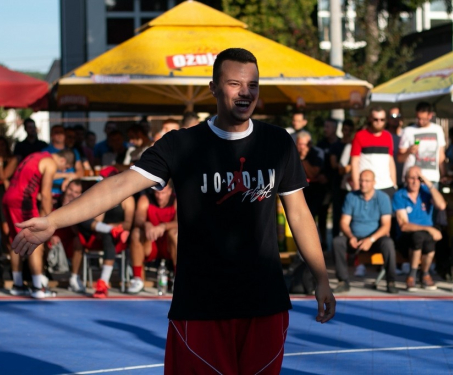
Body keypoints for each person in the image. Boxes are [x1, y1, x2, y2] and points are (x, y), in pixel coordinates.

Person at [12, 48, 335, 374]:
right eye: (235, 84)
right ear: (213, 88)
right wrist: (54, 220)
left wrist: (321, 277)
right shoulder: (181, 144)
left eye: (252, 84)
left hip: (264, 301)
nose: (245, 92)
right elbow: (118, 186)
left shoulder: (278, 142)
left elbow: (299, 213)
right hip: (201, 303)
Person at [4, 149, 74, 298]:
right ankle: (37, 287)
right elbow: (46, 193)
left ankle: (18, 285)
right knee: (35, 240)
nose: (61, 171)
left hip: (9, 197)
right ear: (62, 161)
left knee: (15, 240)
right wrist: (50, 220)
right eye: (64, 168)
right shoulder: (50, 163)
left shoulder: (36, 155)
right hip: (23, 201)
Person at [332, 170, 397, 294]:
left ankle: (391, 281)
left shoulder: (383, 198)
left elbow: (386, 225)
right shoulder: (351, 197)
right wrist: (350, 236)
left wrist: (371, 239)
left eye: (367, 181)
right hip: (355, 238)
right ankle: (343, 281)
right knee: (337, 242)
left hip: (375, 238)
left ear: (374, 182)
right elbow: (344, 222)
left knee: (388, 243)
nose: (363, 183)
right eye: (361, 180)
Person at [77, 167, 135, 298]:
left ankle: (103, 282)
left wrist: (111, 227)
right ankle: (109, 230)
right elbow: (97, 220)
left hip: (118, 237)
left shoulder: (127, 198)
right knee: (82, 219)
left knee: (108, 235)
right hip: (100, 233)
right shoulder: (102, 196)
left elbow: (128, 224)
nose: (100, 182)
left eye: (103, 179)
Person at [393, 166, 447, 291]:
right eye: (411, 178)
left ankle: (424, 274)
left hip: (427, 237)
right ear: (406, 179)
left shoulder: (426, 192)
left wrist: (428, 183)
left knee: (427, 240)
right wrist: (429, 229)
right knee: (419, 236)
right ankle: (413, 275)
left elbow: (442, 205)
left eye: (418, 178)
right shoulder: (400, 195)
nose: (415, 181)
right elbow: (404, 225)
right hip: (406, 238)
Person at [128, 180, 177, 294]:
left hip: (169, 246)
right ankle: (137, 279)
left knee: (176, 233)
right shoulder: (145, 199)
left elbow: (181, 222)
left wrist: (164, 226)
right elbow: (138, 219)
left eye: (163, 193)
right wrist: (146, 224)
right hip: (150, 244)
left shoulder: (176, 200)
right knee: (136, 233)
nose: (159, 196)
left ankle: (178, 279)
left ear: (170, 191)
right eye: (157, 193)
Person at [350, 106, 397, 198]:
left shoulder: (388, 136)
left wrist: (394, 184)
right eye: (376, 119)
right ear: (370, 119)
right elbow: (354, 162)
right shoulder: (360, 135)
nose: (379, 122)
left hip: (386, 186)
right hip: (367, 186)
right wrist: (356, 185)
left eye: (382, 119)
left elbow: (390, 161)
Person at [398, 102, 446, 187]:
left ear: (430, 116)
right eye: (418, 118)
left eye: (423, 119)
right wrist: (409, 151)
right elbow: (399, 158)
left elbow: (441, 156)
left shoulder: (437, 130)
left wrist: (443, 174)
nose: (420, 121)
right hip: (412, 178)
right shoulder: (408, 131)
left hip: (431, 178)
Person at [50, 179, 85, 292]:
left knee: (79, 241)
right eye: (70, 189)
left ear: (80, 195)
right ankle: (40, 278)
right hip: (51, 242)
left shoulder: (82, 209)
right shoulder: (53, 203)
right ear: (65, 189)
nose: (72, 193)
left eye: (76, 192)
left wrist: (70, 211)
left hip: (69, 244)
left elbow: (78, 231)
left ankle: (74, 279)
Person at [316, 118, 339, 249]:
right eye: (324, 126)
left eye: (328, 127)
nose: (325, 129)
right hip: (322, 186)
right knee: (322, 214)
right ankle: (323, 242)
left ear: (335, 129)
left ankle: (337, 243)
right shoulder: (321, 144)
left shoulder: (340, 143)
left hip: (336, 185)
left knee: (337, 215)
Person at [296, 130, 325, 219]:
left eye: (304, 144)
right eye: (299, 144)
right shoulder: (292, 153)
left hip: (314, 190)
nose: (302, 147)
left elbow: (313, 173)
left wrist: (303, 158)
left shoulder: (317, 153)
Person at [0, 136, 18, 252]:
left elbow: (3, 176)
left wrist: (0, 162)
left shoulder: (13, 159)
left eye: (2, 144)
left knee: (6, 227)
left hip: (4, 194)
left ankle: (9, 254)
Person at [386, 107, 405, 188]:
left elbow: (417, 142)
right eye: (393, 116)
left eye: (398, 116)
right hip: (387, 179)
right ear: (388, 119)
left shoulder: (406, 134)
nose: (396, 118)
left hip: (404, 179)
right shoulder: (384, 136)